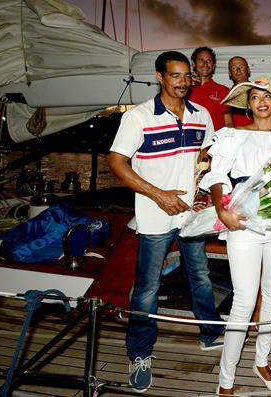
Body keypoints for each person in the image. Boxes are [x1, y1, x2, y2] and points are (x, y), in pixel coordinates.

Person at [108, 51, 223, 393]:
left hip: (192, 215)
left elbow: (208, 156)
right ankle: (139, 354)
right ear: (160, 77)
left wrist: (205, 190)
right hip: (155, 215)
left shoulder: (201, 114)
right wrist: (159, 195)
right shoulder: (139, 117)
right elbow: (117, 163)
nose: (183, 81)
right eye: (175, 75)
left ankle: (209, 333)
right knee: (148, 289)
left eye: (187, 75)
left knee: (200, 276)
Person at [200, 77, 271, 396]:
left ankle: (262, 360)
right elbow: (216, 175)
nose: (262, 101)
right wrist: (220, 209)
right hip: (242, 220)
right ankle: (226, 380)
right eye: (255, 97)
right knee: (243, 299)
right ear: (249, 104)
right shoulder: (233, 135)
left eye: (267, 96)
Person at [189, 46, 230, 131]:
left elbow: (229, 124)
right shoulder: (184, 90)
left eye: (209, 61)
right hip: (190, 141)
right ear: (193, 64)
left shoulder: (224, 91)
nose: (205, 64)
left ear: (213, 66)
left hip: (215, 143)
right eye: (201, 60)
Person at [223, 56, 253, 128]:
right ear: (230, 73)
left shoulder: (259, 91)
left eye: (241, 67)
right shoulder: (225, 96)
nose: (238, 70)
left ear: (248, 70)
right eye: (234, 68)